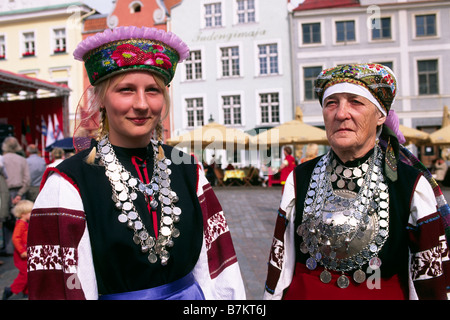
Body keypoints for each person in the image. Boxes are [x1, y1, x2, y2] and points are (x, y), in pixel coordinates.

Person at [27, 26, 245, 300]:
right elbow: (61, 287)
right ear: (101, 99)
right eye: (126, 90)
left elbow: (217, 268)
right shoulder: (69, 182)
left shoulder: (189, 170)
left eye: (152, 90)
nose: (142, 104)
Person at [264, 63, 450, 300]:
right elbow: (281, 264)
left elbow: (430, 281)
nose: (341, 113)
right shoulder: (299, 178)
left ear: (381, 115)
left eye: (355, 102)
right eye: (331, 103)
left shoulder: (410, 184)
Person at [1, 137, 30, 256]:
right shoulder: (22, 160)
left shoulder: (3, 160)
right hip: (19, 191)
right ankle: (21, 247)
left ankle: (9, 247)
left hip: (4, 192)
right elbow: (27, 180)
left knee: (6, 219)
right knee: (20, 220)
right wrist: (19, 194)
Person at [2, 199, 33, 300]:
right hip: (22, 253)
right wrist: (22, 251)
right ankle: (11, 290)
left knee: (28, 272)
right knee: (25, 274)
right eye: (29, 213)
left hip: (26, 252)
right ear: (23, 214)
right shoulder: (20, 224)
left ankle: (27, 291)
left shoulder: (24, 223)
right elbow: (15, 238)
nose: (31, 214)